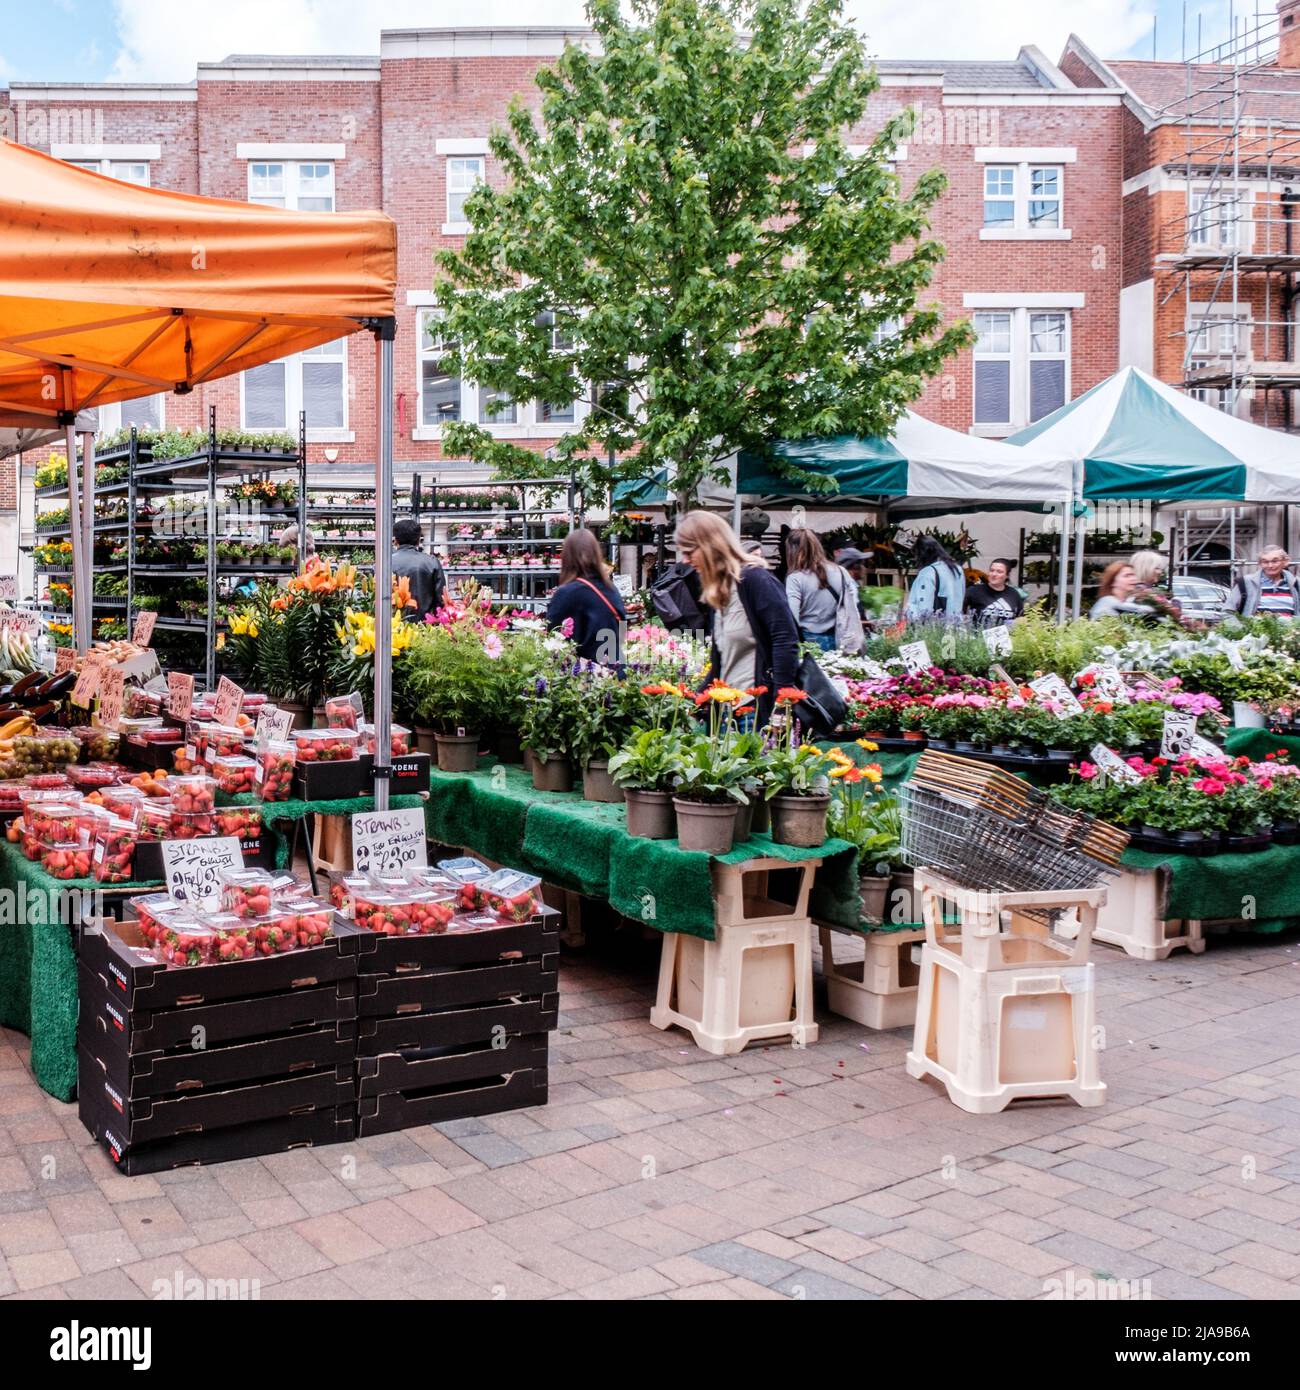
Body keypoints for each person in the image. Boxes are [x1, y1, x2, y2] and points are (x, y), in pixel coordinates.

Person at [675, 509, 798, 728]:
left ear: (709, 546)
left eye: (689, 551)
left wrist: (782, 704)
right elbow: (722, 661)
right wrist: (698, 699)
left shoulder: (754, 580)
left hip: (754, 710)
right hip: (725, 712)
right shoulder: (719, 590)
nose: (685, 560)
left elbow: (784, 639)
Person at [545, 527, 627, 664]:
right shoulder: (611, 589)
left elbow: (555, 637)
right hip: (616, 670)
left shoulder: (568, 593)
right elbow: (622, 629)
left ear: (566, 557)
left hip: (588, 676)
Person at [784, 528, 864, 653]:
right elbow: (853, 602)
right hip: (837, 639)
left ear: (791, 551)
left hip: (808, 642)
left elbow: (792, 618)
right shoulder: (841, 571)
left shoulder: (795, 578)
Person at [390, 517, 445, 623]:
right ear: (418, 540)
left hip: (391, 628)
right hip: (424, 627)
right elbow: (440, 599)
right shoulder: (432, 562)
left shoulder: (383, 564)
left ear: (395, 540)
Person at [1229, 545, 1300, 619]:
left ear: (1285, 562)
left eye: (1274, 561)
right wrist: (1242, 629)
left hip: (1290, 630)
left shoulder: (1297, 584)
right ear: (1260, 563)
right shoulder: (1245, 583)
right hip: (1254, 630)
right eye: (1265, 562)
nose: (1270, 565)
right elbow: (1227, 612)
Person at [905, 536, 966, 621]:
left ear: (922, 555)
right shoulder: (957, 569)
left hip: (936, 629)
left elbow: (924, 609)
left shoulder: (927, 573)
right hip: (956, 626)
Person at [964, 558, 1024, 628]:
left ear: (1007, 575)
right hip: (979, 637)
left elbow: (1020, 618)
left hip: (1005, 637)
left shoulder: (1014, 594)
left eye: (999, 572)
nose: (994, 574)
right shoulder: (974, 591)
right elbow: (958, 611)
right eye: (992, 570)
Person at [1129, 549, 1185, 625]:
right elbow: (1171, 618)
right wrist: (1176, 605)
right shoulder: (1143, 593)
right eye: (1157, 568)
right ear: (1146, 569)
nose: (1160, 572)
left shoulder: (1135, 589)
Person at [1090, 562, 1156, 620]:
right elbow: (1142, 610)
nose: (1133, 579)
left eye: (1133, 575)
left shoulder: (1128, 601)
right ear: (1113, 582)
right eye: (1127, 576)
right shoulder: (1107, 602)